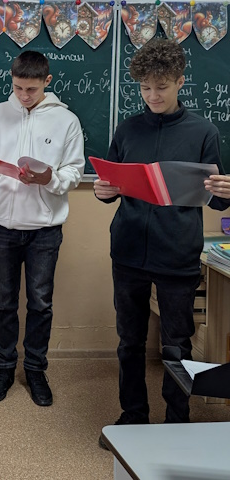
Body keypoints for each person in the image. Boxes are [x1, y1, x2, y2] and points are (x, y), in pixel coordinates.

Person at [94, 38, 230, 447]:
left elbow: (216, 198)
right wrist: (104, 191)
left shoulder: (203, 131)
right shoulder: (127, 129)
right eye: (145, 88)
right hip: (129, 250)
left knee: (176, 344)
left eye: (162, 87)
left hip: (178, 253)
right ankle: (133, 416)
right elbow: (112, 184)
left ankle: (176, 423)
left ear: (180, 82)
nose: (152, 95)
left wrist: (226, 191)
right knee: (129, 341)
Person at [0, 50, 84, 407]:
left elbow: (75, 171)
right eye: (18, 87)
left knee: (40, 303)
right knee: (3, 302)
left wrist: (49, 179)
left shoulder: (66, 121)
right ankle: (4, 368)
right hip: (1, 224)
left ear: (47, 82)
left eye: (31, 89)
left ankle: (35, 370)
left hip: (44, 229)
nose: (23, 95)